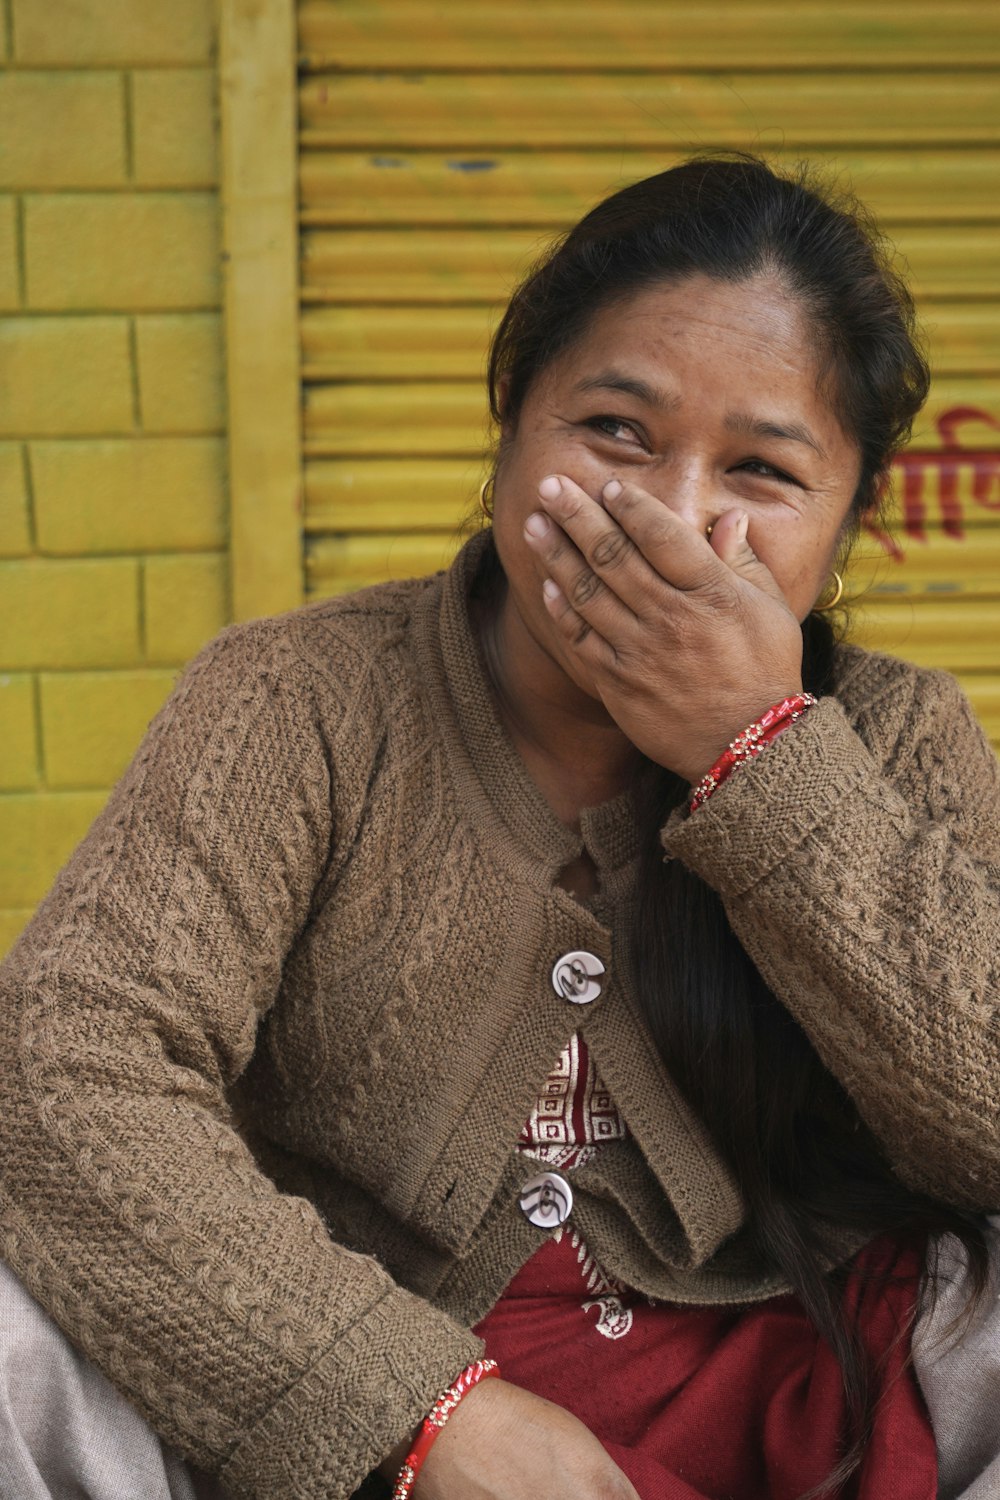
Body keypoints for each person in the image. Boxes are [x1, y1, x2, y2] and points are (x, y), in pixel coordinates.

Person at [0, 153, 998, 1500]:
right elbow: (64, 1073)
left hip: (800, 1383)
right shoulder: (297, 701)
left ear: (849, 520)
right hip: (346, 1400)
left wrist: (755, 754)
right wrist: (414, 1410)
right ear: (510, 427)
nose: (668, 514)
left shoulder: (892, 733)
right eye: (615, 433)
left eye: (761, 470)